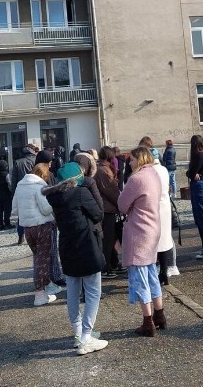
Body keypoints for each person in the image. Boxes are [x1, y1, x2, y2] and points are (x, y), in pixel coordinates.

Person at [44, 162, 108, 355]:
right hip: (87, 245)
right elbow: (98, 214)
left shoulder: (54, 198)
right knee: (93, 292)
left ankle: (78, 333)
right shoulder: (80, 193)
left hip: (67, 246)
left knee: (72, 291)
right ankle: (87, 337)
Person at [117, 147, 166, 337]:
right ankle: (159, 314)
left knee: (140, 276)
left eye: (131, 160)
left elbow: (122, 205)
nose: (129, 163)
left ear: (139, 159)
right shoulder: (154, 174)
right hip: (152, 227)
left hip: (139, 230)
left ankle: (148, 321)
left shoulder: (136, 179)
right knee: (152, 273)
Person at [12, 162, 63, 306]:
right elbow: (46, 209)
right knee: (43, 260)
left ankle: (48, 285)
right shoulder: (39, 186)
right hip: (42, 226)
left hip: (27, 227)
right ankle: (40, 293)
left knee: (38, 257)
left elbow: (14, 209)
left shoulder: (20, 185)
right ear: (43, 175)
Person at [149, 147, 177, 285]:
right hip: (165, 207)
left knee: (155, 241)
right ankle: (164, 272)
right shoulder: (164, 169)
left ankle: (156, 271)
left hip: (155, 207)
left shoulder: (150, 171)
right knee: (165, 240)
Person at [95, 146, 121, 277]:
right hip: (106, 209)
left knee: (112, 238)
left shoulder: (101, 168)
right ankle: (106, 267)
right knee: (108, 239)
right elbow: (111, 191)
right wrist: (122, 202)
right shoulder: (104, 171)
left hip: (107, 208)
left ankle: (114, 262)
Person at [12, 144, 39, 245]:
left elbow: (14, 179)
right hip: (35, 187)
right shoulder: (36, 160)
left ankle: (20, 236)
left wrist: (14, 193)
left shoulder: (18, 162)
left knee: (22, 215)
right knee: (36, 211)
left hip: (21, 189)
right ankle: (36, 235)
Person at [0, 159, 14, 230]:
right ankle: (7, 223)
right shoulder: (6, 174)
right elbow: (9, 184)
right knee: (7, 209)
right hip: (6, 194)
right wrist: (11, 192)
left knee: (0, 210)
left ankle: (0, 225)